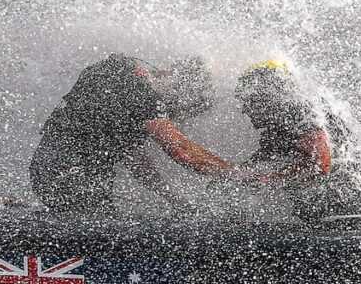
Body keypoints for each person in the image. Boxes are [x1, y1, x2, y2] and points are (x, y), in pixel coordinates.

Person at [29, 53, 231, 215]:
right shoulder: (145, 96)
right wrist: (235, 174)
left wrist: (176, 201)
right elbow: (182, 151)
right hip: (73, 178)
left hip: (45, 173)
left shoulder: (114, 74)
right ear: (181, 87)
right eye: (179, 107)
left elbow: (136, 161)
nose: (174, 113)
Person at [233, 60, 361, 225]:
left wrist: (270, 178)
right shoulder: (279, 124)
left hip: (346, 209)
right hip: (329, 210)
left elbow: (321, 164)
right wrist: (236, 173)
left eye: (249, 100)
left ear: (267, 96)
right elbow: (265, 157)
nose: (244, 109)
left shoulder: (298, 114)